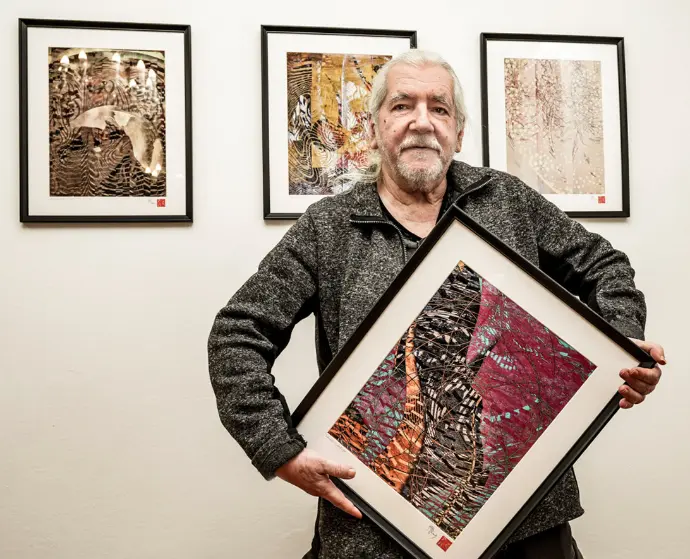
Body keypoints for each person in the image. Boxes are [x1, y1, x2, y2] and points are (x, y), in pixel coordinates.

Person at [207, 50, 665, 559]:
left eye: (439, 108)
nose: (422, 121)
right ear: (374, 128)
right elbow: (237, 334)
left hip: (524, 520)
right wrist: (280, 451)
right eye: (402, 105)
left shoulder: (506, 200)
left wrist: (620, 347)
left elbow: (604, 266)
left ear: (459, 132)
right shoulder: (327, 227)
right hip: (375, 526)